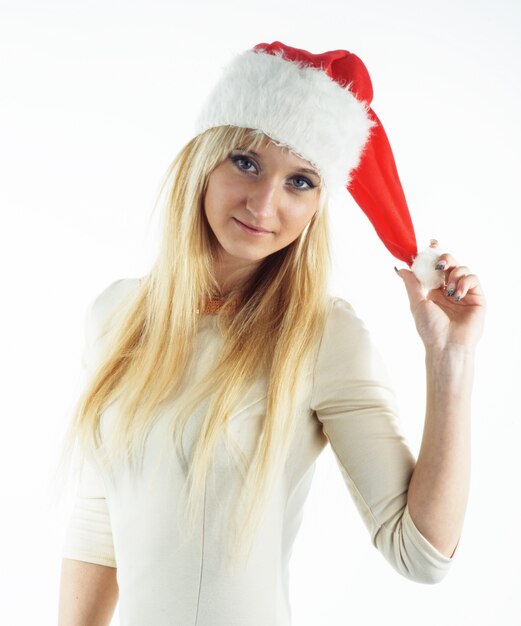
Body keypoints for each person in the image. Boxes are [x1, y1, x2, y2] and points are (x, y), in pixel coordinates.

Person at [56, 41, 486, 626]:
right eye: (246, 162)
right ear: (202, 161)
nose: (264, 203)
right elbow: (99, 520)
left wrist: (448, 360)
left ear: (317, 206)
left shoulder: (321, 336)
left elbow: (421, 555)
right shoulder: (115, 312)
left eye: (301, 181)